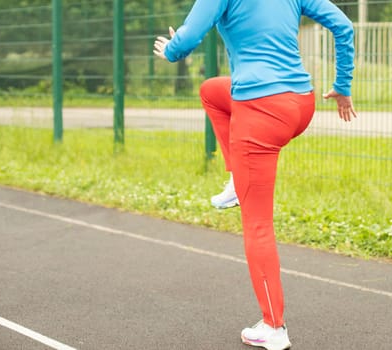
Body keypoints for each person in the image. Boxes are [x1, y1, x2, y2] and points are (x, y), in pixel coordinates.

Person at [154, 1, 356, 349]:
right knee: (212, 92)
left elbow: (187, 40)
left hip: (261, 110)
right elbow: (344, 26)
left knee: (257, 224)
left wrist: (170, 49)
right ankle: (237, 178)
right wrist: (343, 84)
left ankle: (273, 327)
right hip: (299, 104)